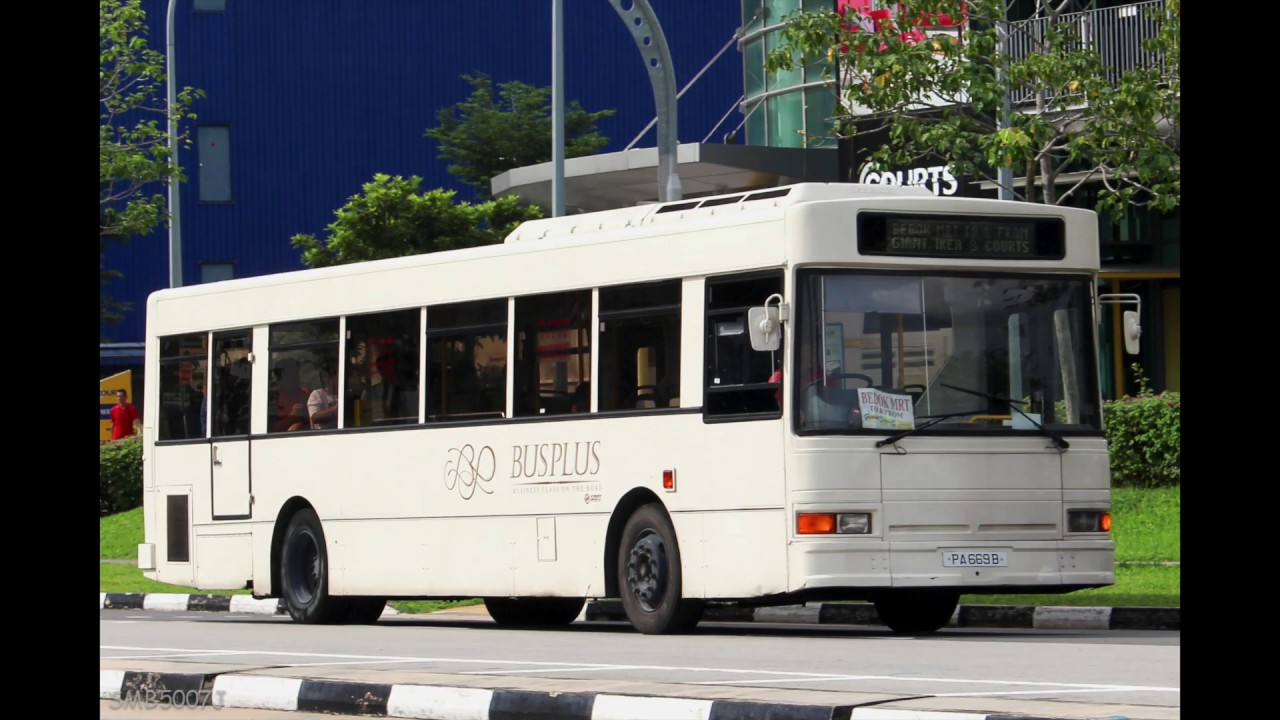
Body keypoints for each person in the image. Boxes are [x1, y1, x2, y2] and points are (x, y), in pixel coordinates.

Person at [272, 359, 311, 432]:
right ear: (280, 379)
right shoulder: (273, 399)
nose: (295, 378)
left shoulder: (307, 393)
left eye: (296, 374)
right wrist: (292, 416)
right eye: (290, 375)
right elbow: (268, 430)